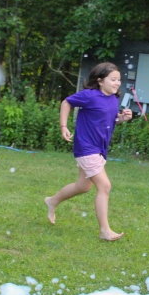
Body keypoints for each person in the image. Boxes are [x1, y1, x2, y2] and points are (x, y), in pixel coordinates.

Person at [44, 62, 133, 241]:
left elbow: (106, 120)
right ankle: (105, 231)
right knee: (104, 186)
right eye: (113, 79)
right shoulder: (90, 96)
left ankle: (52, 201)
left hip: (99, 148)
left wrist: (121, 119)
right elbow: (66, 102)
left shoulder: (114, 99)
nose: (117, 83)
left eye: (119, 80)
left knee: (83, 187)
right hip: (86, 147)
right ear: (100, 81)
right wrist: (63, 126)